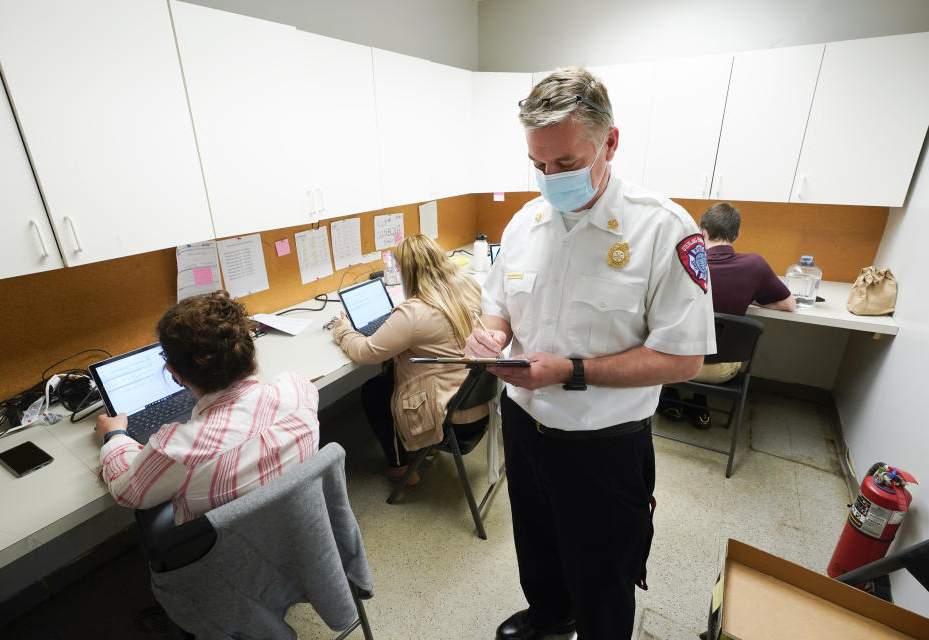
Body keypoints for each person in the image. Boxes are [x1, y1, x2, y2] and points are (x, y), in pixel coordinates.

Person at [465, 68, 716, 640]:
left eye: (567, 165)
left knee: (603, 568)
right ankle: (551, 614)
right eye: (539, 165)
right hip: (524, 424)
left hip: (604, 443)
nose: (550, 179)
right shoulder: (525, 223)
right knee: (535, 539)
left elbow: (683, 360)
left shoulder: (663, 229)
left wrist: (571, 371)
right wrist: (489, 335)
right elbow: (498, 304)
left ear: (610, 143)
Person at [94, 291, 320, 525]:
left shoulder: (178, 449)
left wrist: (115, 436)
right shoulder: (299, 390)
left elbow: (126, 492)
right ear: (247, 348)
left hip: (230, 552)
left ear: (174, 373)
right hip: (301, 524)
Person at [333, 234, 489, 485]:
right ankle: (426, 446)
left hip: (451, 418)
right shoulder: (469, 286)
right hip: (476, 402)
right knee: (391, 375)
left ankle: (401, 467)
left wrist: (343, 329)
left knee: (375, 391)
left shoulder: (414, 312)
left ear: (406, 272)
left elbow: (364, 353)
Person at [660, 202, 795, 428]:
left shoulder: (680, 262)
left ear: (701, 231)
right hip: (722, 371)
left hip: (675, 366)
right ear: (737, 234)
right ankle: (699, 404)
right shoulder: (755, 265)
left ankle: (670, 397)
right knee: (713, 344)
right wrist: (752, 297)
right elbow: (789, 305)